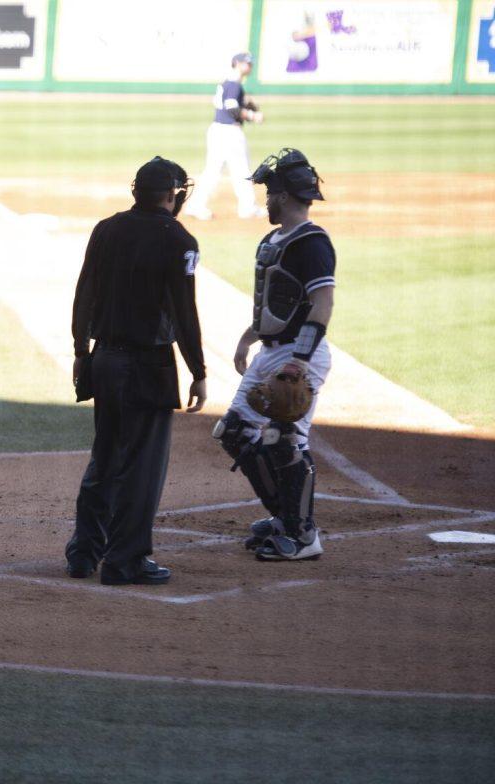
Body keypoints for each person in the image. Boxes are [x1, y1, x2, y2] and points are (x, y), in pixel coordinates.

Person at [66, 157, 208, 586]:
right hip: (149, 367)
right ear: (171, 195)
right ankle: (124, 560)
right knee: (142, 469)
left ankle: (83, 552)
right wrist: (198, 370)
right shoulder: (179, 239)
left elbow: (84, 292)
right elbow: (185, 312)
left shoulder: (106, 229)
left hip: (105, 360)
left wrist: (80, 350)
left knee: (105, 457)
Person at [211, 148, 334, 561]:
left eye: (268, 191)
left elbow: (322, 303)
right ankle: (284, 516)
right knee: (234, 431)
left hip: (301, 355)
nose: (265, 199)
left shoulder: (312, 243)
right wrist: (249, 337)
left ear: (283, 195)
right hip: (270, 351)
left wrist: (300, 358)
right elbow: (275, 302)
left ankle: (302, 536)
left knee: (285, 439)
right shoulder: (273, 240)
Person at [183, 52, 265, 221]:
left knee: (213, 170)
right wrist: (251, 115)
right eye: (246, 63)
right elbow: (231, 109)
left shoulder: (229, 83)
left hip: (219, 130)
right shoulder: (234, 85)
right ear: (236, 63)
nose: (250, 66)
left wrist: (246, 107)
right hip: (229, 132)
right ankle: (247, 208)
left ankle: (196, 205)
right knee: (241, 169)